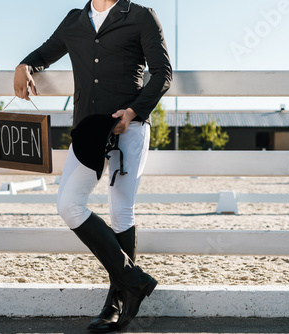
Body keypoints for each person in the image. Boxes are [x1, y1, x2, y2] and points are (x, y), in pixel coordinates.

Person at [13, 0, 172, 332]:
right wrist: (24, 65)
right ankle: (134, 280)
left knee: (121, 212)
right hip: (88, 130)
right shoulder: (74, 20)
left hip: (129, 128)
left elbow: (163, 73)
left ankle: (116, 304)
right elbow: (44, 54)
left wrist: (134, 112)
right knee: (69, 204)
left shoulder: (141, 16)